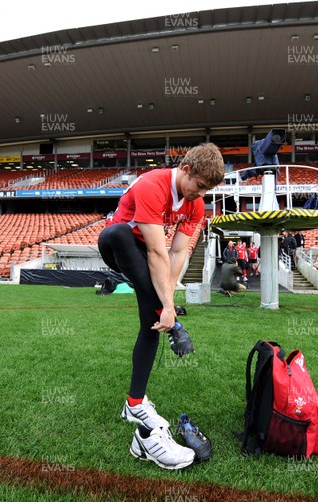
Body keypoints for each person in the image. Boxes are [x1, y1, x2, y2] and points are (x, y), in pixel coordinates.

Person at [97, 143, 225, 469]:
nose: (200, 194)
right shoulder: (152, 184)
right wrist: (168, 305)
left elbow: (178, 253)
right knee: (118, 234)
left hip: (147, 257)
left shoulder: (196, 205)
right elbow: (156, 251)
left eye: (207, 190)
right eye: (198, 186)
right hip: (120, 245)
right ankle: (175, 324)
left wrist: (168, 303)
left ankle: (135, 402)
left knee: (152, 325)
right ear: (185, 170)